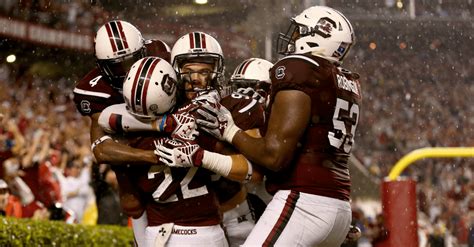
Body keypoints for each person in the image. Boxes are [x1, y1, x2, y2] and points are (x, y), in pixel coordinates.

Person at [196, 6, 361, 246]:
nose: (293, 37)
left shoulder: (300, 68)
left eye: (300, 31)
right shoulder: (345, 81)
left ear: (318, 36)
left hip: (305, 201)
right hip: (339, 205)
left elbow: (274, 155)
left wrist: (230, 131)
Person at [72, 20, 171, 246]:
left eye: (132, 60)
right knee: (131, 201)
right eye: (117, 65)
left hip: (172, 138)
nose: (127, 70)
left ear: (144, 51)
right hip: (134, 149)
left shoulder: (160, 53)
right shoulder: (92, 89)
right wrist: (150, 153)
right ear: (102, 65)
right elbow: (101, 149)